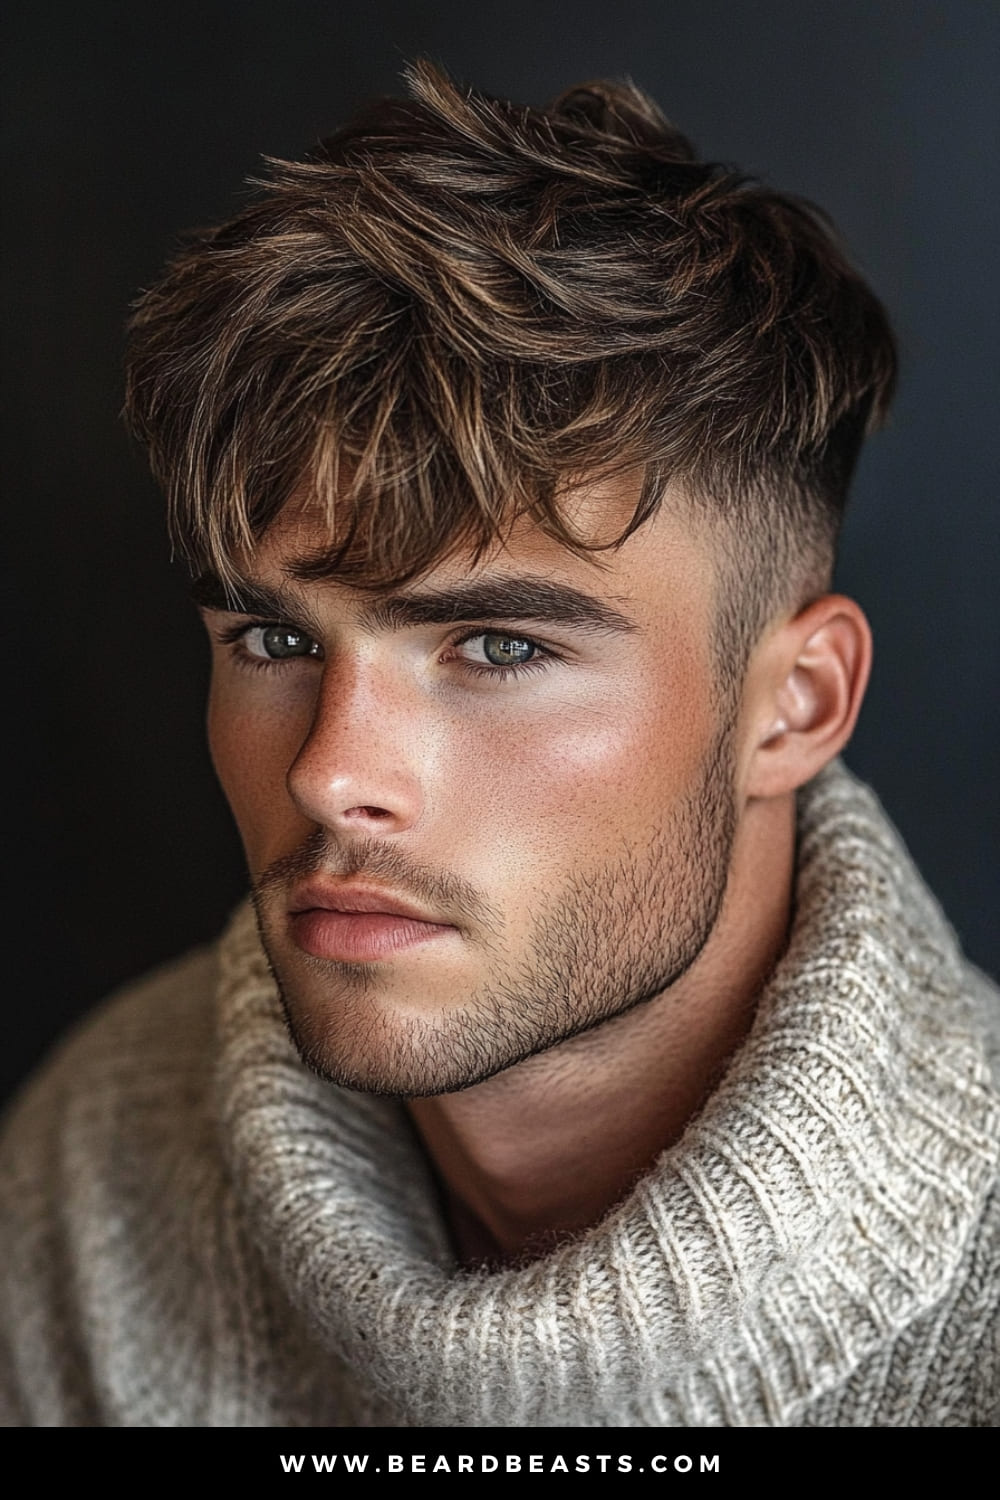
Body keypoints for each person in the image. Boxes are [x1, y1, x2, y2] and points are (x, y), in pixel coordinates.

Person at [1, 61, 997, 1430]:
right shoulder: (94, 1167)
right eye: (278, 644)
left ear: (796, 705)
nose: (331, 774)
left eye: (502, 648)